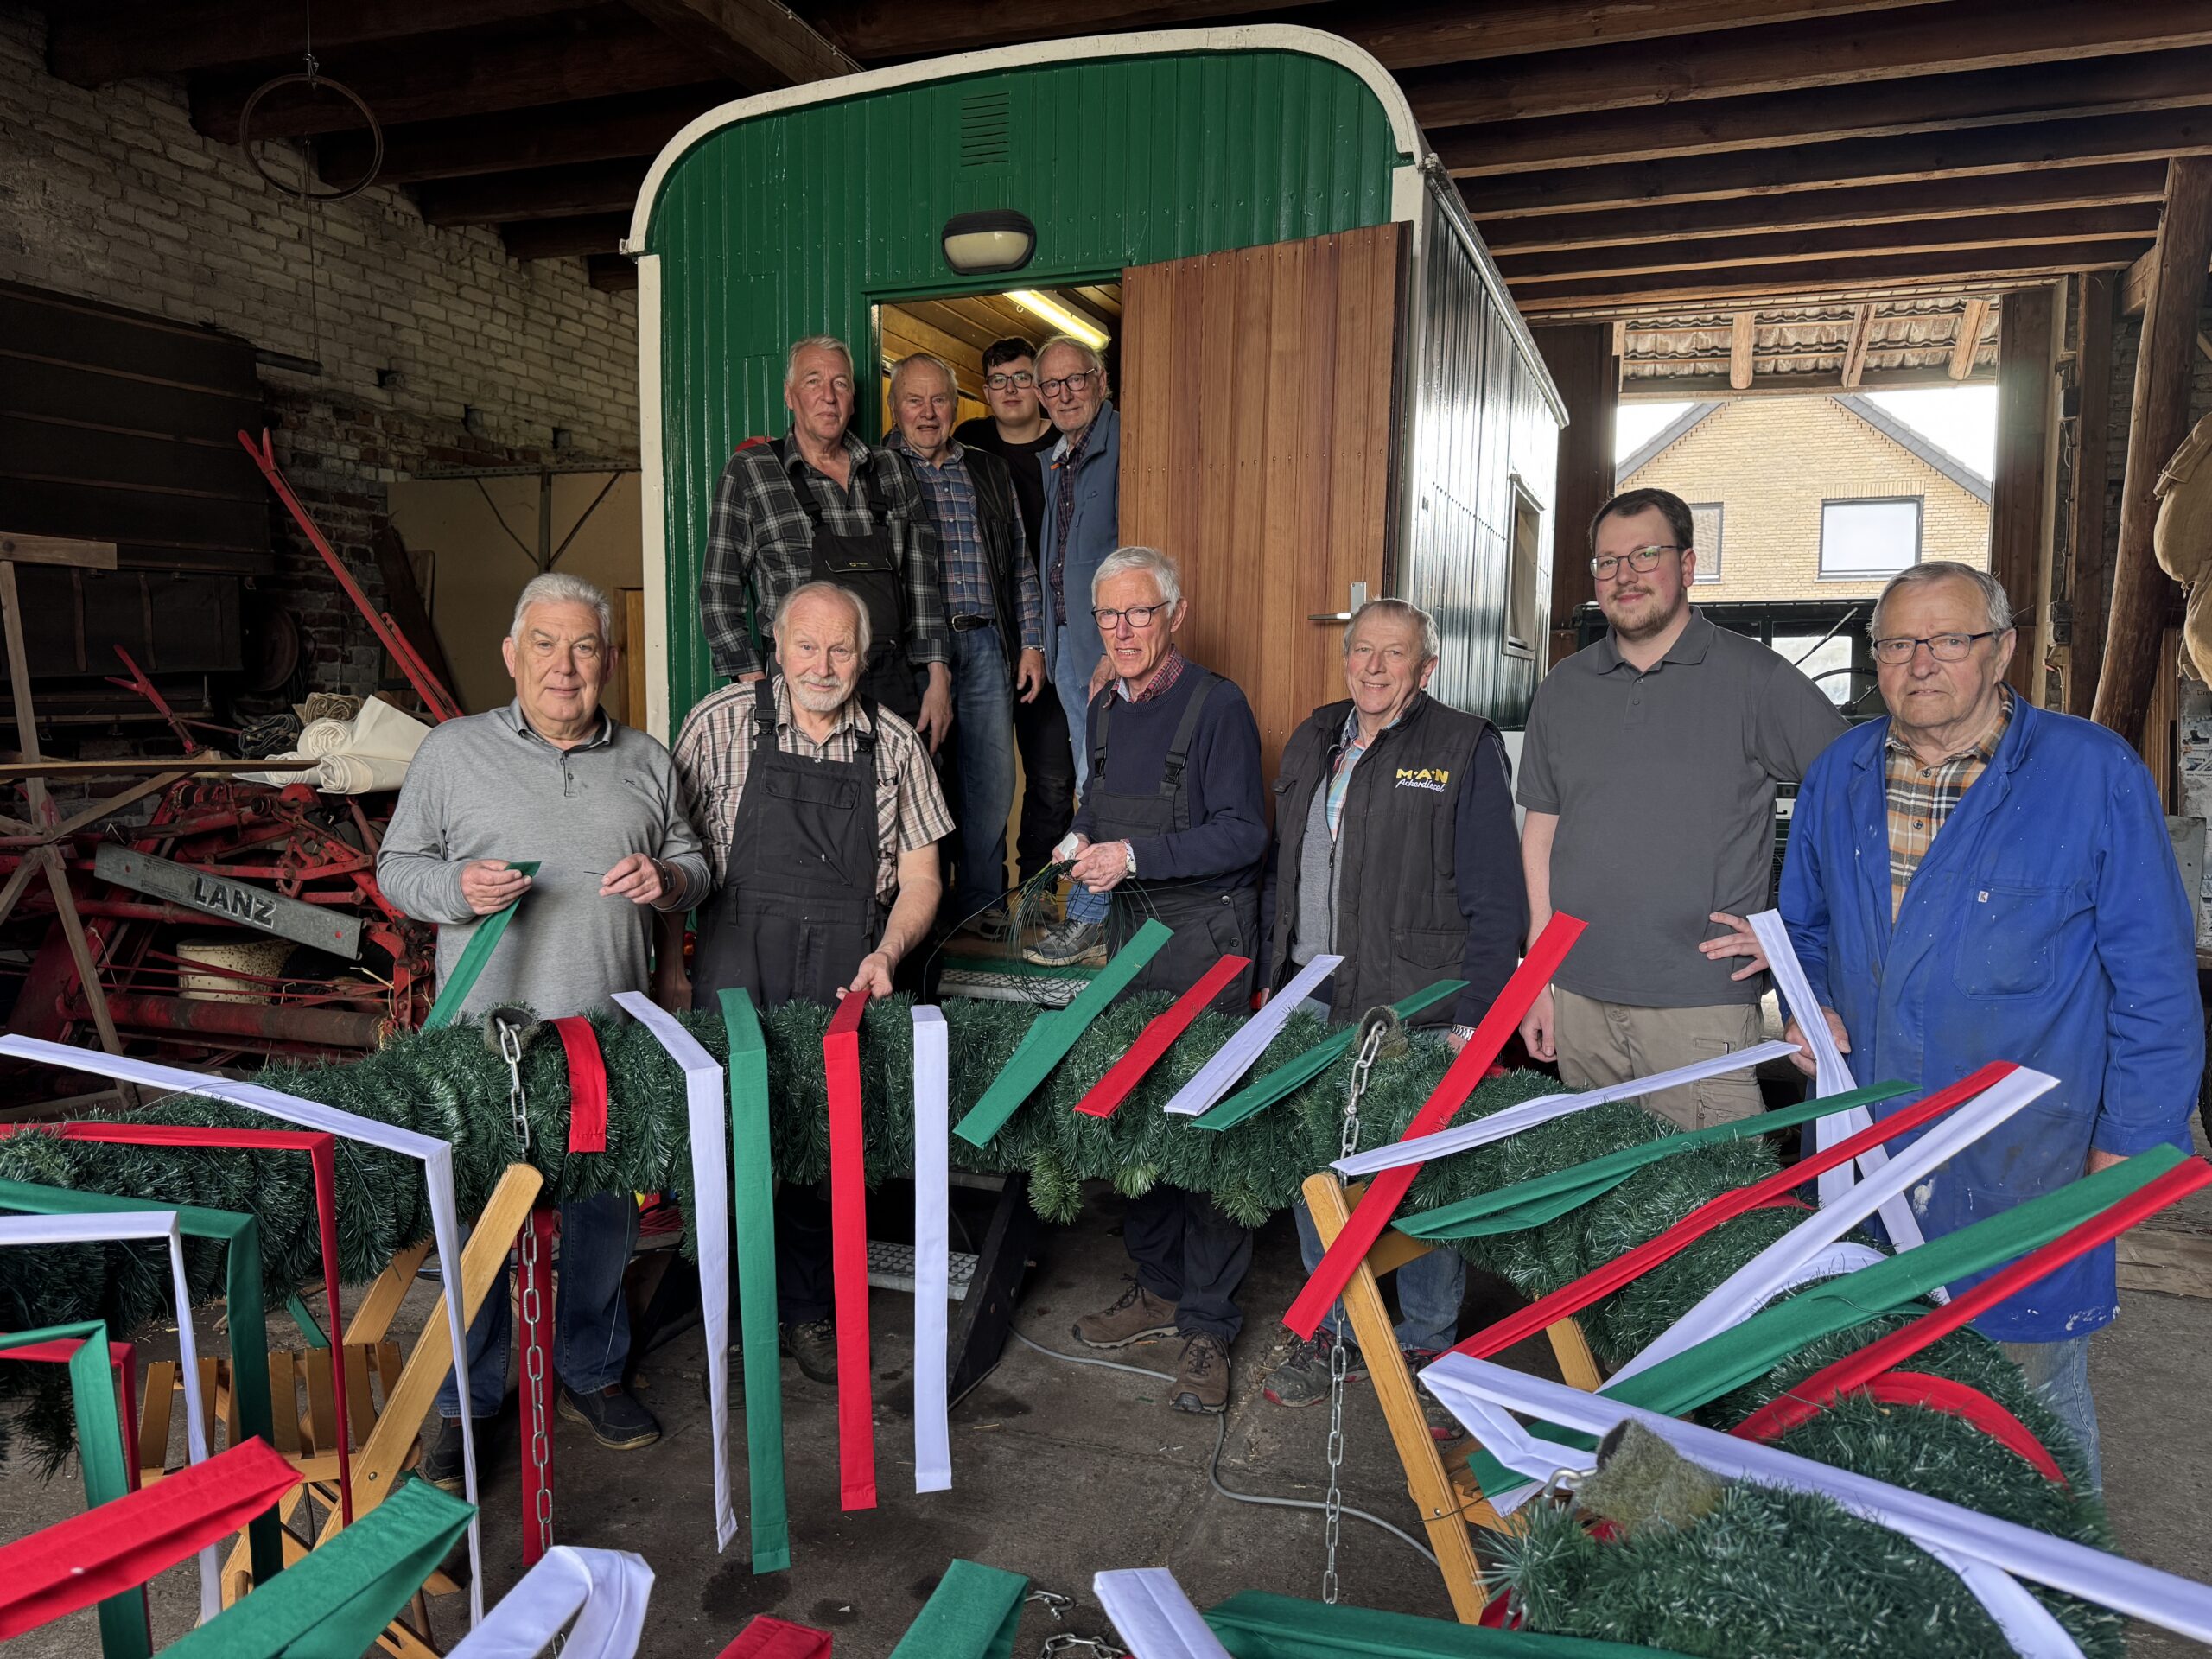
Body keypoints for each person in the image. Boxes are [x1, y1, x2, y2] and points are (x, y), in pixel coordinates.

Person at [1777, 561, 2200, 1490]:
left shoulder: (2092, 774)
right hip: (1868, 1143)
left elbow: (2156, 981)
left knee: (2024, 1405)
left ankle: (2050, 1581)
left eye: (1948, 639)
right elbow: (1804, 930)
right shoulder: (1839, 775)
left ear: (2001, 650)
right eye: (1897, 643)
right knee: (1873, 1388)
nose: (1920, 662)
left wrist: (2131, 1146)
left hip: (2026, 1156)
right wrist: (1813, 1008)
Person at [378, 571, 710, 1484]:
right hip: (485, 1047)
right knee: (481, 1228)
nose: (565, 666)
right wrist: (455, 887)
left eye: (584, 647)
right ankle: (470, 1398)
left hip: (606, 1036)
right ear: (511, 656)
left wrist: (669, 881)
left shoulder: (645, 758)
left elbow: (691, 859)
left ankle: (592, 1371)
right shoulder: (452, 752)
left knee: (604, 1221)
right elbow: (397, 869)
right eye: (545, 645)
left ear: (609, 660)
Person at [668, 581, 951, 1382]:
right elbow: (669, 854)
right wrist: (669, 972)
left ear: (863, 656)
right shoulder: (715, 724)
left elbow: (923, 876)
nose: (822, 666)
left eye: (840, 649)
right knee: (725, 1139)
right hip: (734, 959)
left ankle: (807, 1310)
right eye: (806, 646)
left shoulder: (894, 744)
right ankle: (723, 1314)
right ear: (776, 645)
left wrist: (889, 953)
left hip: (844, 967)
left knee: (821, 1148)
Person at [1257, 597, 1526, 1412]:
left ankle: (1427, 1340)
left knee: (1417, 1179)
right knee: (1319, 1172)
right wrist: (1269, 975)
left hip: (1417, 1004)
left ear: (1426, 667)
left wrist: (1478, 1016)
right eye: (1361, 650)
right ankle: (1333, 1330)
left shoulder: (1463, 746)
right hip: (1311, 994)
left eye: (1394, 654)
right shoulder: (1316, 735)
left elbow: (1497, 896)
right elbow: (1284, 869)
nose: (1373, 667)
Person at [1516, 486, 1847, 1129]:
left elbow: (1851, 800)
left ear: (1687, 565)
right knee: (1596, 1187)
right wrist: (1538, 977)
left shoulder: (1756, 679)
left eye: (1646, 555)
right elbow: (1542, 829)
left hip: (1699, 1003)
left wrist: (1787, 933)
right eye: (1608, 562)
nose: (1625, 575)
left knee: (1708, 1187)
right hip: (1580, 998)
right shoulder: (1564, 687)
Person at [1060, 548, 1268, 1415]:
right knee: (1138, 1115)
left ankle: (1208, 1324)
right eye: (1109, 615)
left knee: (1204, 1130)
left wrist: (1134, 856)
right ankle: (1154, 1286)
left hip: (1206, 941)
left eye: (1140, 612)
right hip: (1130, 938)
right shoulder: (1104, 705)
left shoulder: (1219, 707)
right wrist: (1079, 840)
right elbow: (1096, 804)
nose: (1123, 629)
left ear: (1173, 615)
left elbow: (1245, 835)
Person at [698, 334, 951, 745]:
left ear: (852, 398)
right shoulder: (751, 471)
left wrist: (938, 678)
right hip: (801, 685)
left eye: (840, 384)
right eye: (813, 381)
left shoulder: (890, 469)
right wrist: (756, 684)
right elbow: (718, 590)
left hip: (892, 680)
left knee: (904, 786)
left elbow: (922, 583)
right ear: (790, 395)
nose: (828, 397)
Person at [886, 351, 1046, 937]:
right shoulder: (876, 471)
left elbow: (1020, 565)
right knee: (915, 779)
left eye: (940, 400)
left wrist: (1032, 643)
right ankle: (917, 911)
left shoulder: (986, 470)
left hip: (985, 645)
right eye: (915, 400)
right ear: (895, 407)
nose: (929, 413)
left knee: (991, 782)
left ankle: (980, 905)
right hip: (908, 655)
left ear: (956, 405)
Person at [957, 336, 1077, 886]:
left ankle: (1035, 891)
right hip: (983, 634)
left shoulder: (1068, 445)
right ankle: (977, 897)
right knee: (976, 776)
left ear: (1042, 388)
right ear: (985, 391)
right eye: (999, 381)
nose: (1011, 390)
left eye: (1023, 378)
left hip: (1050, 632)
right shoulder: (968, 443)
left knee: (1051, 775)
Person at [1026, 334, 1122, 965]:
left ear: (1101, 381)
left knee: (1102, 780)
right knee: (1093, 774)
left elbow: (1134, 555)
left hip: (1109, 644)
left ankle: (1090, 920)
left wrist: (1115, 645)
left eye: (1076, 380)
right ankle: (1097, 919)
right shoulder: (1058, 458)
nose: (1064, 394)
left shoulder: (1125, 445)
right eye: (1052, 385)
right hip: (1067, 643)